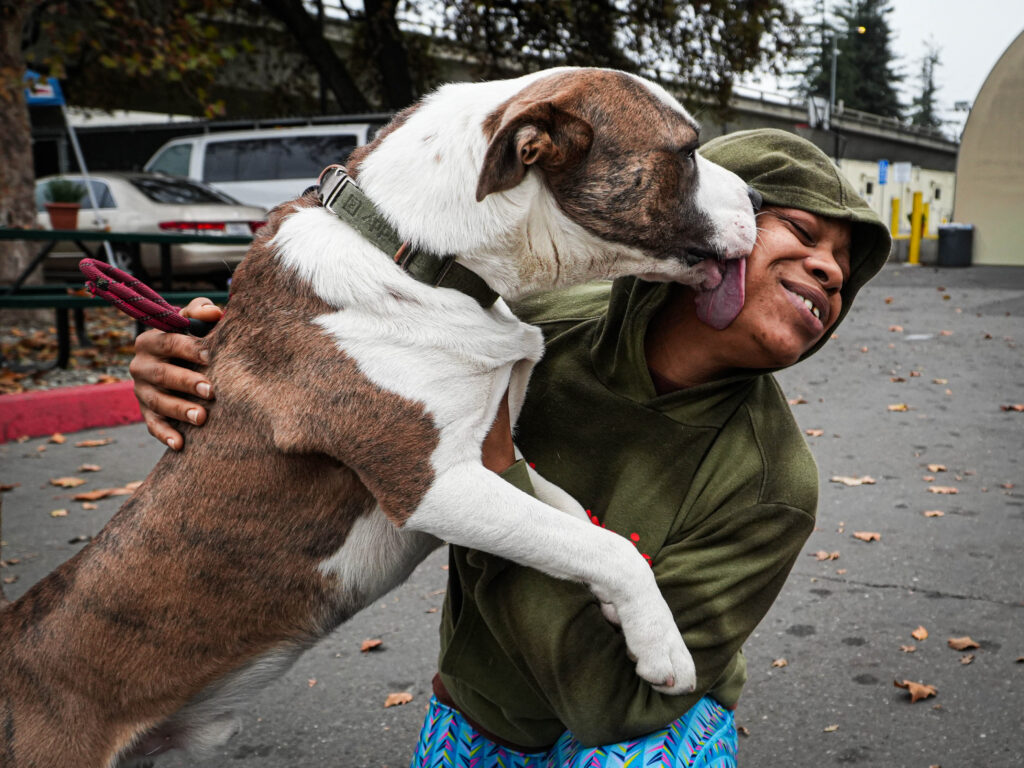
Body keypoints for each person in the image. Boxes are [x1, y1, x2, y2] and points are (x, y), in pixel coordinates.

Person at [129, 128, 891, 767]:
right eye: (804, 231)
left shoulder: (772, 483)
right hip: (481, 708)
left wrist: (501, 473)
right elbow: (330, 388)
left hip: (649, 731)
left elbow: (618, 704)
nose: (831, 270)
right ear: (716, 217)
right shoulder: (525, 327)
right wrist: (208, 368)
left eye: (845, 273)